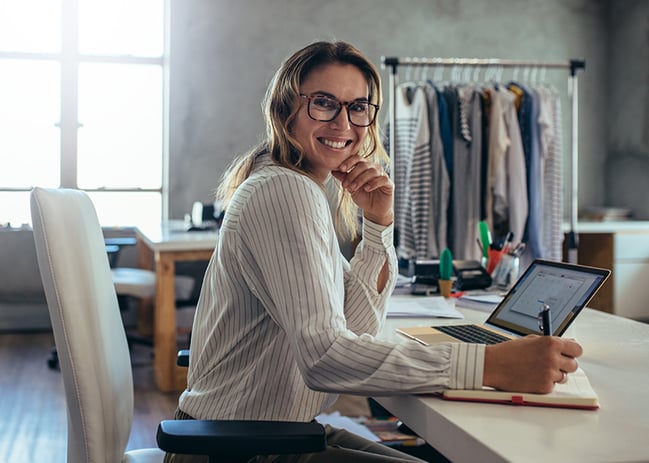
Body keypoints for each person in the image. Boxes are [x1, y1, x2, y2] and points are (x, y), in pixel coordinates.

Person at [164, 41, 583, 463]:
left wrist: (378, 224)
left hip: (273, 437)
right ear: (285, 109)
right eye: (324, 103)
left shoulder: (301, 187)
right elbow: (325, 360)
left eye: (358, 106)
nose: (343, 122)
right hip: (238, 450)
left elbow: (357, 329)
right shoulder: (284, 191)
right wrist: (489, 364)